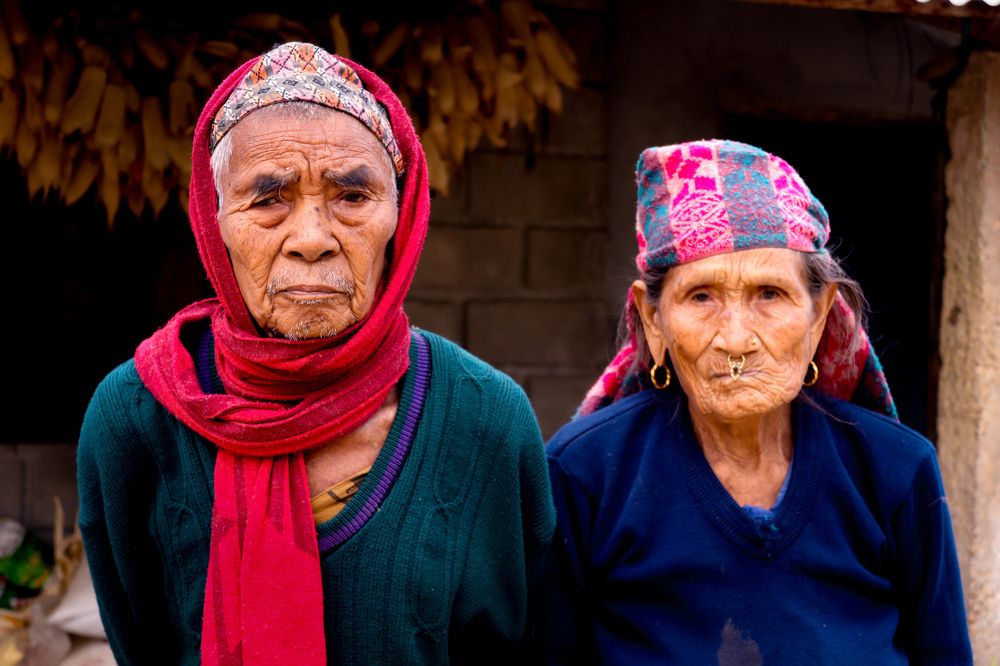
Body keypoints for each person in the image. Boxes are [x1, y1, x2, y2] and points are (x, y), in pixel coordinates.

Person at [77, 42, 554, 666]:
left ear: (401, 218)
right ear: (213, 217)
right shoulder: (135, 419)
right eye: (268, 198)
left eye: (352, 198)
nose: (311, 239)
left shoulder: (487, 420)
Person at [541, 140, 972, 664]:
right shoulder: (585, 473)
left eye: (770, 294)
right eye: (701, 297)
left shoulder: (896, 472)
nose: (736, 338)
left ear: (819, 317)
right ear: (653, 321)